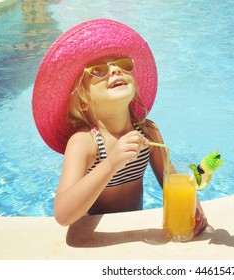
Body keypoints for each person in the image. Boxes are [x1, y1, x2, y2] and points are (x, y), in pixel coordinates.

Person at [32, 19, 207, 235]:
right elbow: (63, 214)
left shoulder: (148, 132)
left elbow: (171, 180)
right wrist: (111, 163)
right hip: (96, 239)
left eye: (122, 64)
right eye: (97, 70)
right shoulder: (85, 142)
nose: (114, 70)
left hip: (134, 231)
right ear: (84, 99)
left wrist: (194, 209)